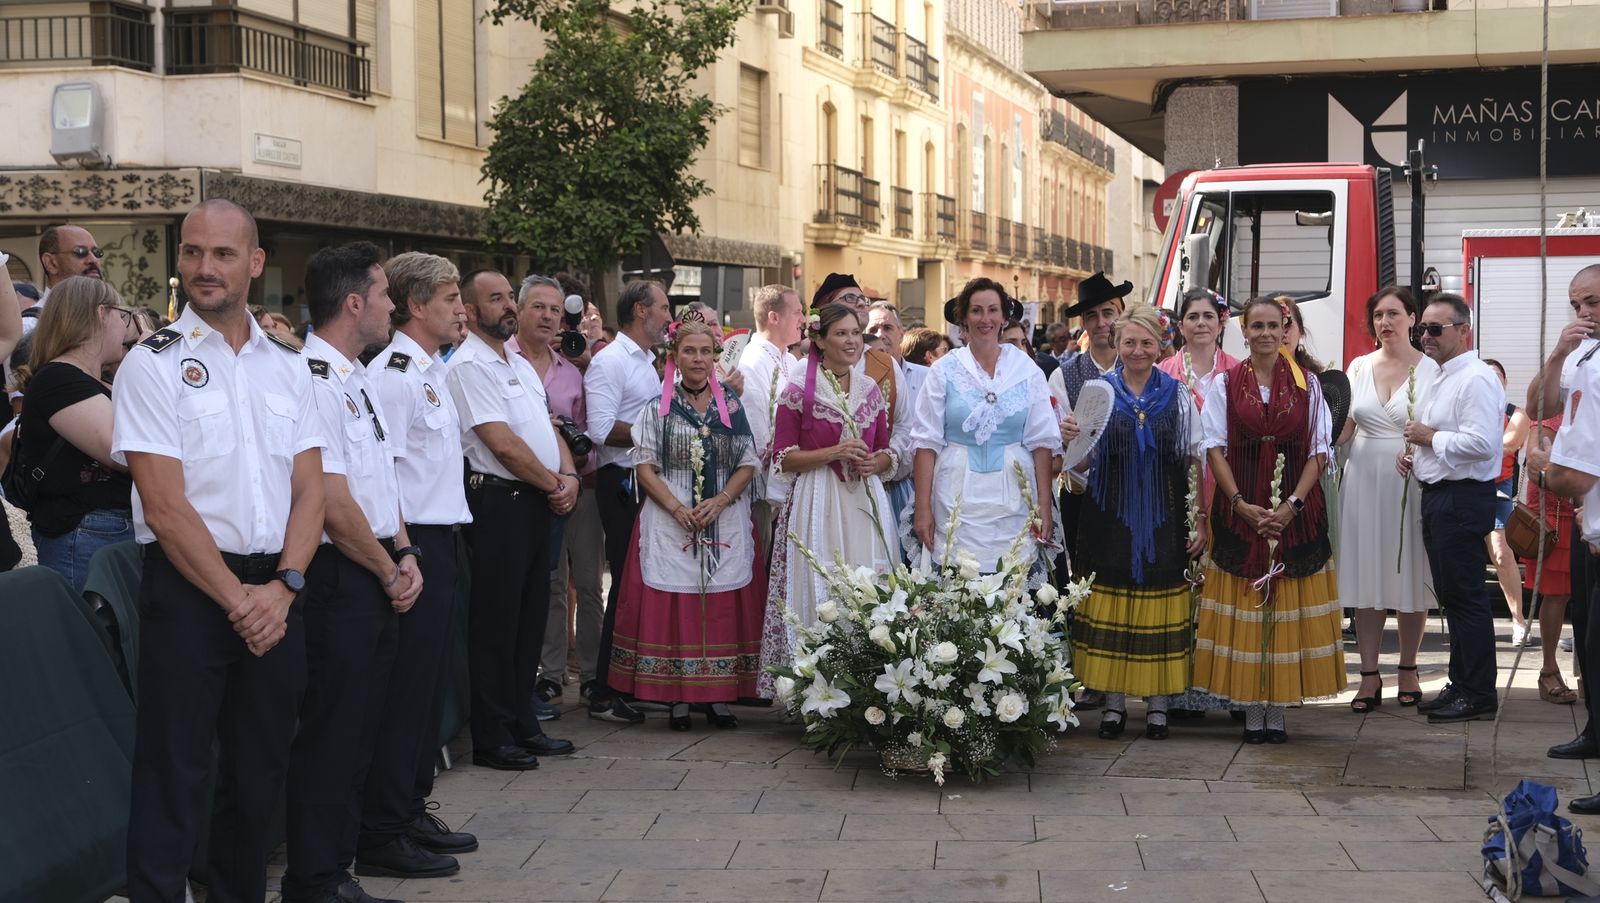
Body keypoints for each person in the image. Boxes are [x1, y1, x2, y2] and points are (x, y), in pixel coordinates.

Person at [113, 200, 327, 903]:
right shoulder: (152, 365)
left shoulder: (290, 368)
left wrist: (284, 588)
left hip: (277, 589)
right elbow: (166, 507)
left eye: (223, 254)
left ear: (255, 263)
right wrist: (241, 601)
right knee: (173, 771)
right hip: (190, 591)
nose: (206, 267)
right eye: (193, 252)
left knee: (259, 770)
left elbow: (311, 492)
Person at [355, 252, 479, 878]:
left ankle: (405, 808)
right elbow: (384, 476)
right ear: (415, 305)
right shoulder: (394, 374)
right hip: (414, 541)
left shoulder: (427, 369)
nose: (462, 308)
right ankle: (382, 827)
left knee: (428, 686)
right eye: (451, 297)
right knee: (405, 690)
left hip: (443, 534)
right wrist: (399, 554)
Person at [1192, 295, 1344, 744]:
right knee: (1248, 607)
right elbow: (1213, 448)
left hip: (1294, 510)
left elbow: (1320, 451)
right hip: (1242, 508)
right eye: (1255, 326)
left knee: (1284, 607)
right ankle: (1250, 706)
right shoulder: (1224, 384)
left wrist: (1290, 506)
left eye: (1272, 325)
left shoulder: (1309, 385)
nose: (1264, 333)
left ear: (1285, 330)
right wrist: (1239, 503)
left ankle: (1275, 709)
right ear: (1243, 332)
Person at [447, 269, 579, 766]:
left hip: (537, 501)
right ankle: (492, 734)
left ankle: (523, 720)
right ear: (471, 308)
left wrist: (570, 477)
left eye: (508, 297)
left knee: (528, 621)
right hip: (499, 503)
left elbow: (547, 431)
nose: (506, 306)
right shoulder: (468, 366)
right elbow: (499, 443)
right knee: (496, 624)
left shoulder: (519, 365)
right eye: (495, 298)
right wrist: (554, 484)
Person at [608, 314, 764, 729]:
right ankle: (676, 697)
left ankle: (718, 698)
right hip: (668, 514)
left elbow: (748, 462)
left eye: (706, 351)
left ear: (716, 357)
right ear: (673, 357)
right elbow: (644, 467)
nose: (698, 359)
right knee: (676, 605)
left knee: (717, 606)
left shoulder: (731, 407)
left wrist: (722, 500)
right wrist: (677, 509)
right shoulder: (656, 408)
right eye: (689, 351)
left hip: (722, 514)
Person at [1070, 302, 1204, 741]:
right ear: (1116, 343)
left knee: (1159, 600)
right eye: (1130, 342)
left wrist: (1199, 517)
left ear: (1160, 344)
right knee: (1114, 598)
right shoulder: (1096, 392)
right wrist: (1071, 441)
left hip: (1164, 515)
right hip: (1109, 515)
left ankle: (1159, 706)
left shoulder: (1178, 393)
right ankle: (1113, 705)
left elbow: (1193, 460)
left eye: (1147, 342)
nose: (1138, 350)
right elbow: (1080, 462)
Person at [758, 302, 898, 691]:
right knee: (822, 583)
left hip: (863, 501)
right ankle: (815, 686)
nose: (852, 341)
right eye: (841, 333)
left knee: (866, 580)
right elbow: (783, 458)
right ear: (819, 340)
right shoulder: (798, 391)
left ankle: (867, 685)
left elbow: (887, 448)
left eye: (856, 333)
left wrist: (878, 462)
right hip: (817, 499)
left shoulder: (871, 387)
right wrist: (833, 453)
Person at [1398, 293, 1504, 724]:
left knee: (1466, 598)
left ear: (1464, 331)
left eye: (1435, 329)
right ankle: (1463, 684)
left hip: (1461, 498)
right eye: (1421, 328)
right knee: (1454, 598)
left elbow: (1483, 445)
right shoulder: (1442, 375)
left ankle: (1477, 692)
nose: (1426, 336)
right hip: (1443, 495)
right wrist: (1417, 456)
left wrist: (1429, 440)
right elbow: (1443, 437)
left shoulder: (1474, 378)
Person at [1335, 287, 1438, 713]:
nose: (1385, 322)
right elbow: (1345, 429)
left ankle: (1409, 668)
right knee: (1366, 578)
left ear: (1412, 318)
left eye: (1394, 313)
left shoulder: (1432, 369)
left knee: (1410, 573)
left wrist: (1418, 452)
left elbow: (1440, 426)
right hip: (1362, 478)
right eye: (1378, 315)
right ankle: (1369, 675)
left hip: (1409, 479)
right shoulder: (1358, 367)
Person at [910, 278, 1060, 571]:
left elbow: (1042, 442)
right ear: (964, 317)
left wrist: (1044, 504)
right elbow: (925, 443)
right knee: (958, 582)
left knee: (1013, 581)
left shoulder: (1027, 369)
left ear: (1004, 317)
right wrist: (923, 508)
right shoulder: (943, 370)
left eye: (993, 310)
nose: (985, 318)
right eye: (976, 310)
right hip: (955, 492)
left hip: (1015, 493)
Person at [509, 275, 602, 711]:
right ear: (519, 310)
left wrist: (576, 471)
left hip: (578, 488)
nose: (547, 316)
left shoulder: (572, 370)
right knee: (548, 586)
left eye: (553, 310)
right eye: (538, 308)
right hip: (523, 489)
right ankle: (549, 674)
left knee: (587, 582)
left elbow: (585, 433)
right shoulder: (502, 361)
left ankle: (591, 673)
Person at [14, 276, 140, 592]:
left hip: (104, 531)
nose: (127, 330)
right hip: (86, 532)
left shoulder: (88, 380)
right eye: (123, 316)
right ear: (101, 313)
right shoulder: (59, 378)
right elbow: (123, 450)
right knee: (91, 638)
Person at [583, 279, 671, 724]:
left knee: (640, 583)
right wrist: (660, 433)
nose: (668, 317)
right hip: (620, 481)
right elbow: (599, 429)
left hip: (644, 480)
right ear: (640, 310)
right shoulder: (611, 361)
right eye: (663, 307)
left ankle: (624, 682)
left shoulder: (649, 361)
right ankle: (602, 691)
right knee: (621, 586)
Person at [1531, 264, 1600, 764]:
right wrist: (1558, 352)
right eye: (1576, 304)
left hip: (1587, 510)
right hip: (1589, 524)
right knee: (1590, 642)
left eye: (1593, 302)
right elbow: (1540, 404)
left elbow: (1576, 476)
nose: (1584, 314)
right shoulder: (1584, 353)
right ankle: (1596, 733)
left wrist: (1542, 474)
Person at [1050, 273, 1130, 577]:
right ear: (1083, 322)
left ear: (1120, 315)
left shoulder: (1140, 366)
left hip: (1133, 492)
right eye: (1092, 315)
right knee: (1085, 582)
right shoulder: (1063, 376)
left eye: (1107, 313)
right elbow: (1056, 445)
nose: (1100, 323)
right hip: (1083, 500)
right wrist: (1065, 436)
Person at [736, 284, 805, 557]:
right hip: (767, 489)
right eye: (797, 312)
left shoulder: (788, 357)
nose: (803, 319)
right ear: (774, 317)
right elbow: (758, 434)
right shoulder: (752, 361)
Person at [1520, 410, 1578, 703]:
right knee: (1558, 595)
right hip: (1560, 513)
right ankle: (1549, 669)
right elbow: (1535, 468)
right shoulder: (1550, 415)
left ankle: (1584, 671)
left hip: (1583, 509)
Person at [867, 300, 928, 538]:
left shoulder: (928, 377)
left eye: (887, 328)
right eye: (872, 330)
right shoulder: (857, 379)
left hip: (914, 488)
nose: (880, 335)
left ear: (902, 333)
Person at [1486, 358, 1534, 646]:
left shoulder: (1517, 413)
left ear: (1505, 382)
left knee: (1502, 556)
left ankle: (1519, 622)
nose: (1491, 382)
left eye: (1496, 377)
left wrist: (1467, 445)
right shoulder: (1467, 410)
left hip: (1498, 490)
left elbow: (1510, 444)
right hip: (1465, 489)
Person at [32, 224, 104, 319]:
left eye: (96, 252)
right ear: (51, 263)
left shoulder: (109, 318)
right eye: (80, 252)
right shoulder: (31, 325)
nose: (93, 259)